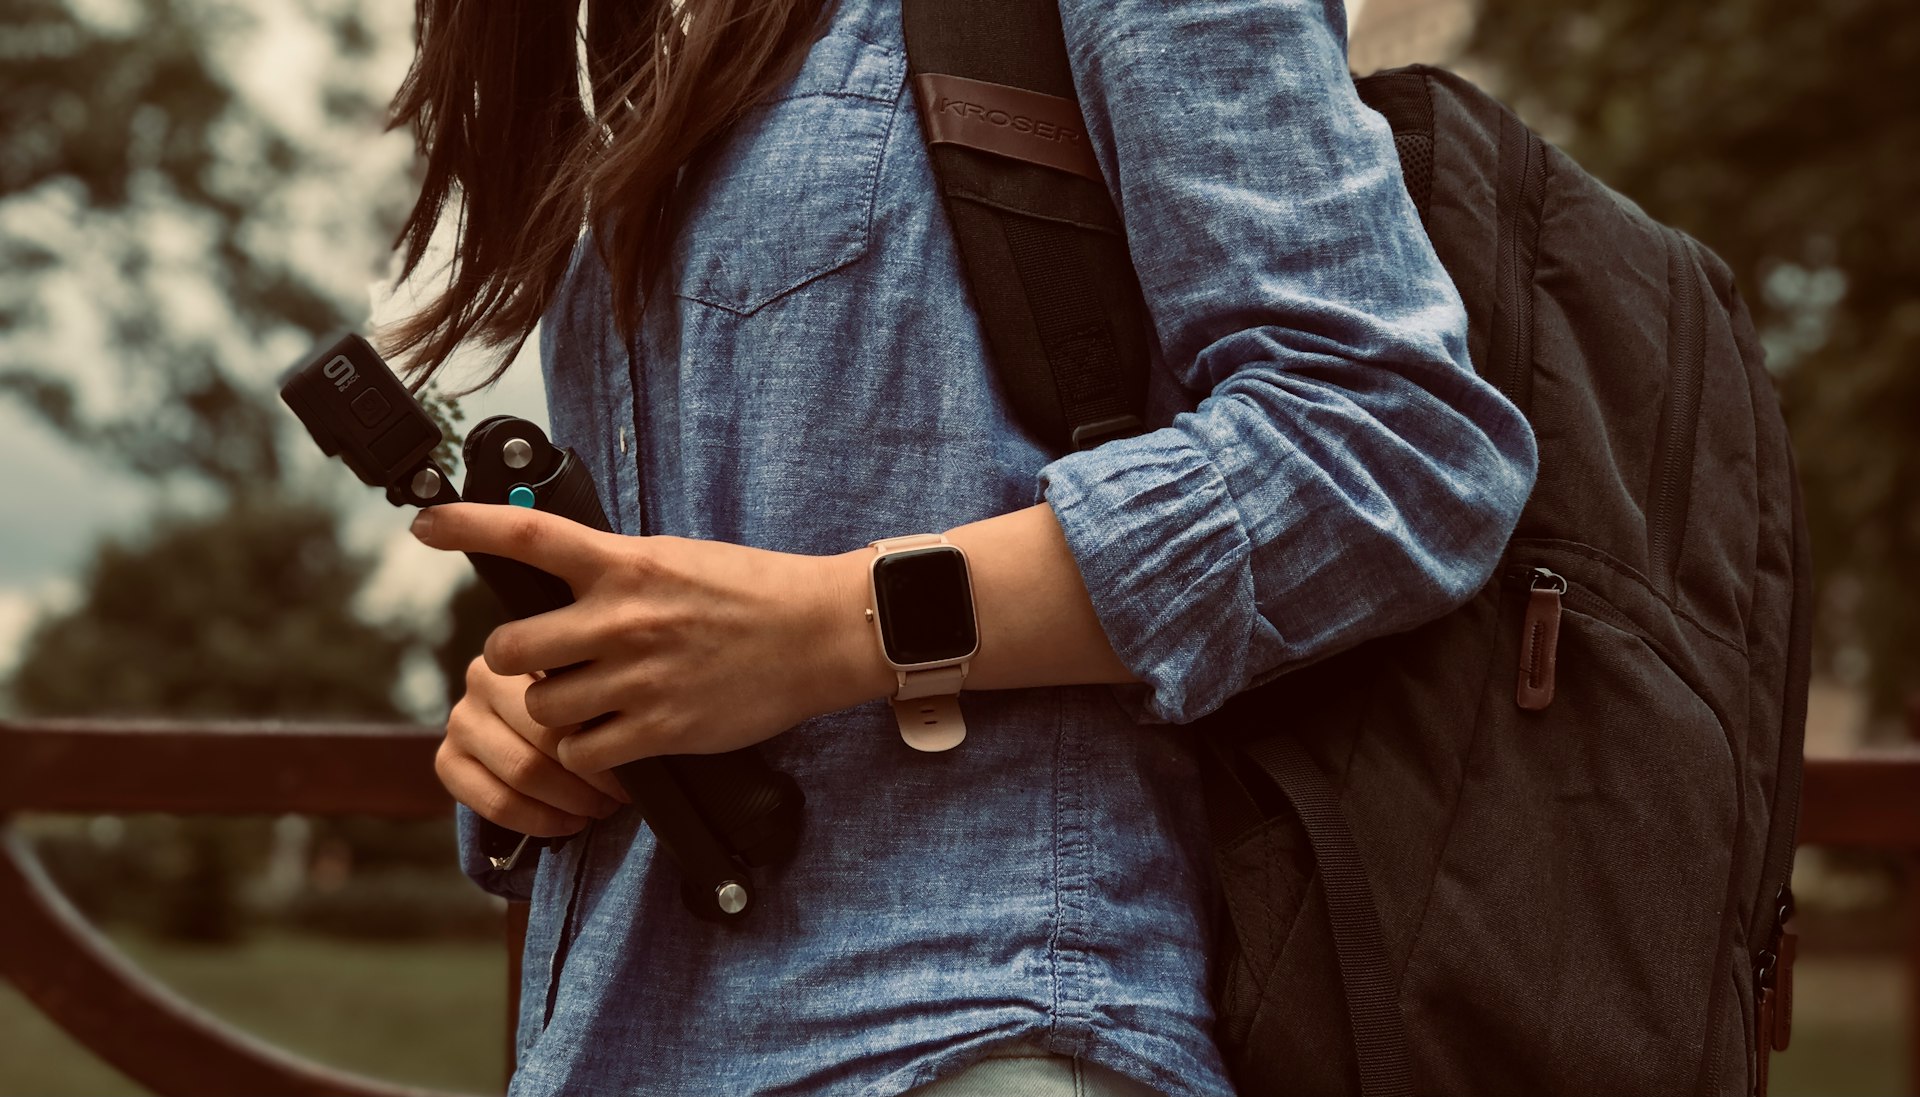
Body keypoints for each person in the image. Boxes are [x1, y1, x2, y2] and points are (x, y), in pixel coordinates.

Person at [388, 0, 1538, 1093]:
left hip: (974, 1033)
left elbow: (1393, 440)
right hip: (633, 1040)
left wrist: (841, 627)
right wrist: (553, 710)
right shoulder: (646, 40)